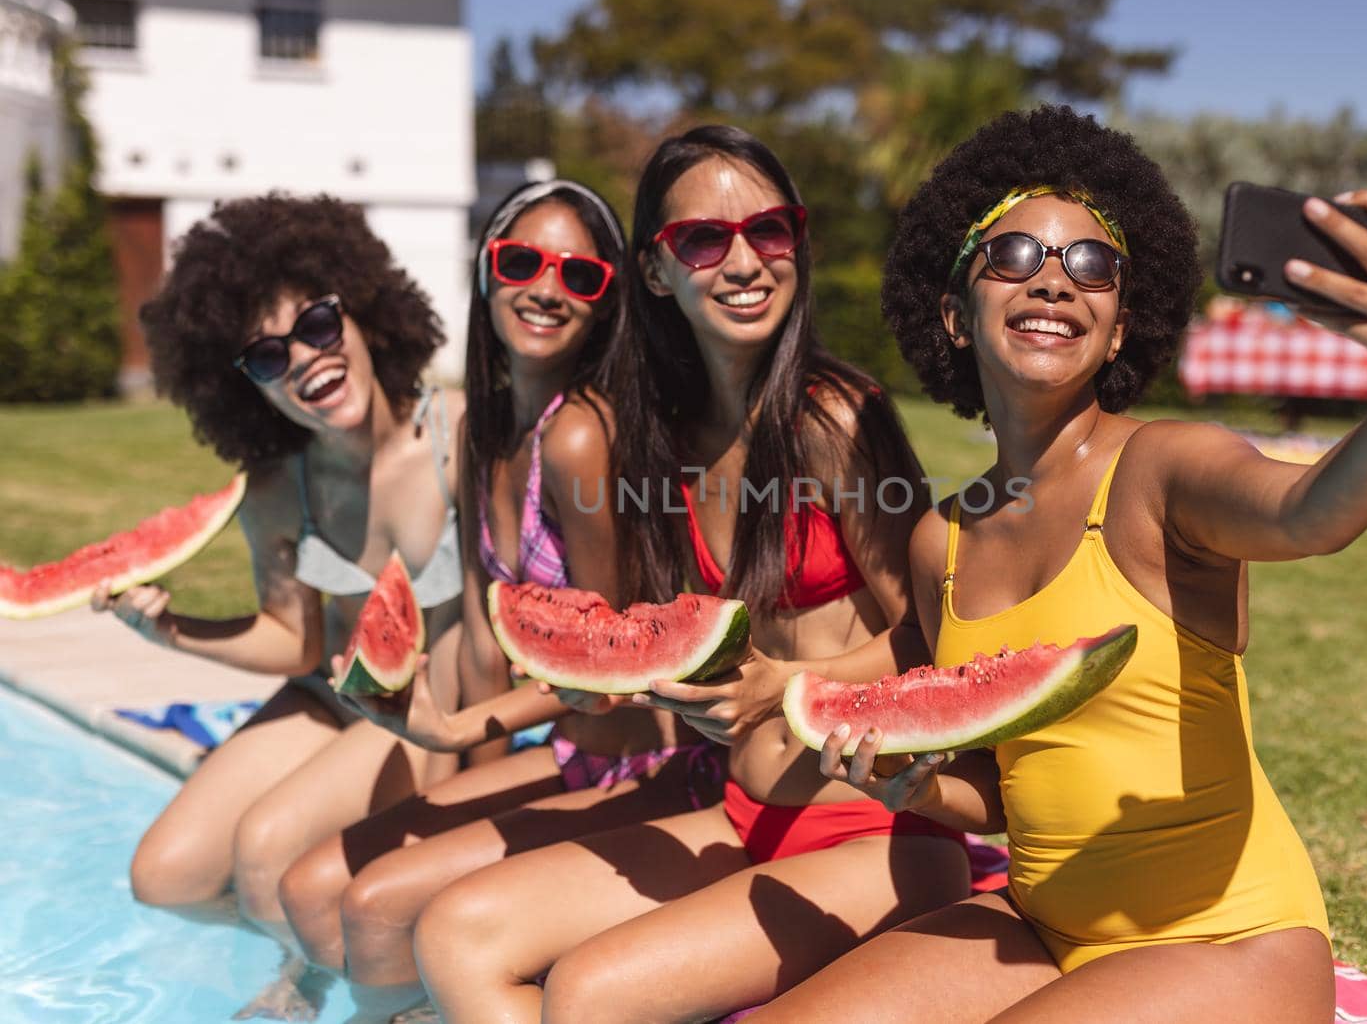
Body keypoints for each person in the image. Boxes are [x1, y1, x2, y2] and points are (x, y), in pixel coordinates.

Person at [751, 105, 1367, 1023]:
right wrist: (911, 782)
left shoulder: (1165, 469)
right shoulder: (942, 541)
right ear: (955, 314)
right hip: (1043, 925)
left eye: (1092, 264)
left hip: (1229, 939)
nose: (1054, 281)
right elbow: (1003, 790)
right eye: (1013, 257)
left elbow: (1310, 512)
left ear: (1120, 326)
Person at [411, 126, 975, 1024]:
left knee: (588, 993)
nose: (745, 260)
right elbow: (672, 664)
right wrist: (603, 691)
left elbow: (936, 643)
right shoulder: (666, 441)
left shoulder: (835, 416)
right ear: (659, 272)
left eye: (772, 230)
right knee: (455, 932)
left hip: (877, 826)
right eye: (705, 239)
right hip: (742, 811)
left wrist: (788, 685)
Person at [274, 179, 723, 1021]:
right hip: (560, 753)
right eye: (522, 261)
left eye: (579, 276)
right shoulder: (489, 425)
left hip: (648, 766)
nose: (547, 288)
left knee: (373, 907)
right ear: (486, 272)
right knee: (311, 884)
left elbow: (608, 667)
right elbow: (491, 632)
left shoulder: (579, 434)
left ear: (605, 304)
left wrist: (451, 732)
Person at [95, 194, 466, 1019]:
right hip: (328, 697)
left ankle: (337, 989)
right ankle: (311, 941)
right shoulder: (278, 487)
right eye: (265, 357)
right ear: (247, 389)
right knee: (163, 875)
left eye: (318, 325)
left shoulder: (459, 439)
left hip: (425, 709)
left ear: (366, 315)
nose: (301, 357)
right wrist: (172, 628)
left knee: (266, 847)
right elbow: (293, 643)